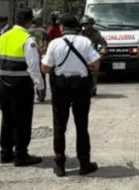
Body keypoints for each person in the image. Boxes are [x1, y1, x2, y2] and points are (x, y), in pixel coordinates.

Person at [42, 13, 100, 177]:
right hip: (81, 88)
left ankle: (60, 164)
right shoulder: (85, 42)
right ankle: (84, 163)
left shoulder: (55, 43)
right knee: (82, 126)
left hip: (61, 89)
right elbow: (96, 64)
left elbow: (46, 68)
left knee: (59, 126)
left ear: (62, 27)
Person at [0, 8, 45, 167]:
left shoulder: (2, 37)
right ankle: (21, 154)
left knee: (7, 119)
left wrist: (0, 80)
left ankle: (5, 153)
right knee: (22, 119)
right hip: (22, 85)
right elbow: (33, 66)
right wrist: (40, 85)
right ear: (29, 22)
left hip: (4, 84)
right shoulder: (28, 40)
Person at [81, 16, 108, 97]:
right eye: (84, 24)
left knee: (94, 75)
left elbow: (104, 44)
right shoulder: (80, 34)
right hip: (82, 57)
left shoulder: (96, 34)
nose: (86, 26)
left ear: (91, 24)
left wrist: (101, 53)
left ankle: (93, 89)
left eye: (88, 24)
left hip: (92, 57)